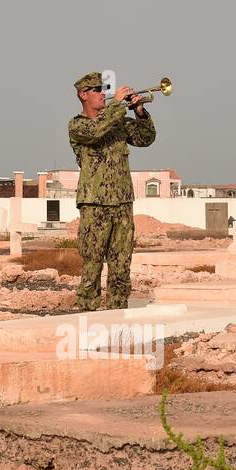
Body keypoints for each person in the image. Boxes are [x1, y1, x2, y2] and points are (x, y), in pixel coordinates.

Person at [68, 72, 156, 310]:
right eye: (97, 89)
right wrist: (117, 104)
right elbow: (97, 130)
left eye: (105, 89)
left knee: (121, 263)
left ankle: (118, 311)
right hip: (94, 203)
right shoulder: (78, 125)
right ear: (83, 95)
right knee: (93, 261)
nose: (103, 94)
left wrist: (139, 112)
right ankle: (87, 310)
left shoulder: (117, 122)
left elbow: (146, 138)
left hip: (122, 202)